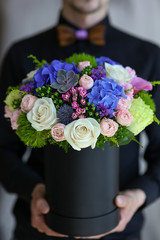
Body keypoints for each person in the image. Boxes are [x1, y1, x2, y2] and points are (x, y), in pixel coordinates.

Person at [0, 0, 160, 240]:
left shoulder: (148, 55)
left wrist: (138, 196)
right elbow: (3, 148)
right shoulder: (21, 54)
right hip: (36, 228)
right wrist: (32, 191)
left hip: (121, 231)